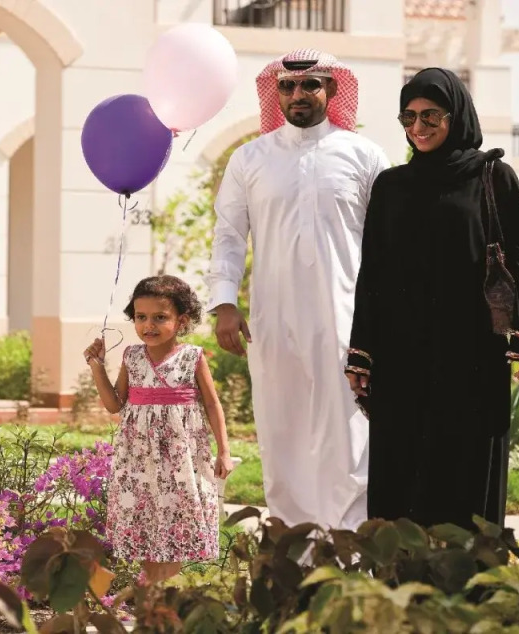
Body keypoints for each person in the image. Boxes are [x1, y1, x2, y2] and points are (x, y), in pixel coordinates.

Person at [345, 68, 519, 530]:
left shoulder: (493, 177)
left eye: (430, 115)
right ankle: (400, 572)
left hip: (472, 355)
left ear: (456, 116)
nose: (418, 127)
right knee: (402, 475)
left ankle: (468, 573)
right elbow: (373, 274)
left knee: (465, 472)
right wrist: (362, 353)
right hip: (402, 358)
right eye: (408, 117)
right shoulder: (391, 186)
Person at [206, 48, 391, 530]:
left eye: (311, 84)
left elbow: (390, 243)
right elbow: (229, 235)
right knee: (281, 431)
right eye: (287, 86)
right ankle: (291, 549)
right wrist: (224, 302)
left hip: (347, 318)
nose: (298, 94)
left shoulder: (365, 156)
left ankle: (348, 550)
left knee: (348, 434)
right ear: (276, 92)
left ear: (332, 88)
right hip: (274, 319)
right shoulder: (250, 158)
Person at [84, 275, 235, 584]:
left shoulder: (192, 357)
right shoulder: (132, 356)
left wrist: (224, 451)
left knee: (176, 513)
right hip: (138, 456)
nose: (148, 325)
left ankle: (165, 588)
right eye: (141, 317)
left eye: (159, 317)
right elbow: (114, 404)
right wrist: (96, 366)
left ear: (182, 321)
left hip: (180, 456)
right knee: (144, 516)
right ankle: (151, 587)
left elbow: (212, 404)